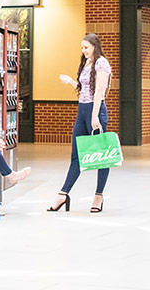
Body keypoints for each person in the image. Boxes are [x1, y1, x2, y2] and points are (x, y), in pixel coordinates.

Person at [49, 33, 112, 214]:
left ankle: (98, 196)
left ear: (94, 46)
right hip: (82, 109)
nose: (83, 51)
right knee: (76, 156)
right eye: (82, 47)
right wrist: (70, 82)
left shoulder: (102, 63)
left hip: (95, 110)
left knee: (101, 156)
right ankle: (63, 193)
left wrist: (94, 118)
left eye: (86, 47)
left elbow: (99, 91)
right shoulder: (86, 63)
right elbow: (84, 89)